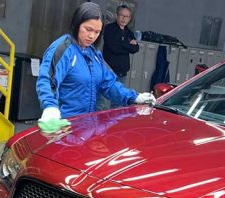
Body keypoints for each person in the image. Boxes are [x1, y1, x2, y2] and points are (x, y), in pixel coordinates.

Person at [35, 2, 154, 133]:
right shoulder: (63, 48)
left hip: (86, 126)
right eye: (88, 29)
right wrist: (50, 108)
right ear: (77, 24)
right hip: (63, 126)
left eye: (97, 32)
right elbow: (48, 80)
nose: (92, 36)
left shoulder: (93, 53)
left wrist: (134, 97)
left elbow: (108, 83)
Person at [100, 4, 140, 108]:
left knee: (117, 103)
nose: (124, 18)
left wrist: (122, 44)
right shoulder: (109, 29)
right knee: (102, 102)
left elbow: (136, 49)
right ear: (117, 15)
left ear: (129, 18)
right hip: (109, 71)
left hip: (122, 73)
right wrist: (128, 45)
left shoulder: (128, 32)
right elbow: (114, 48)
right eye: (122, 15)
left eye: (127, 16)